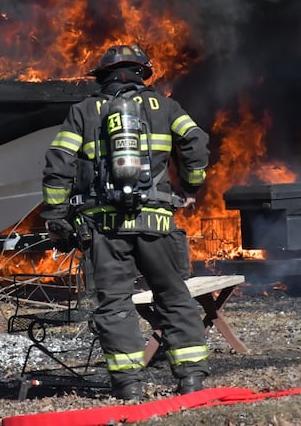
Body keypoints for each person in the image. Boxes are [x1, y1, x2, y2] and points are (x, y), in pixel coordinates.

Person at [40, 44, 211, 401]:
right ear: (143, 73)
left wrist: (56, 214)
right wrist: (191, 184)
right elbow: (195, 140)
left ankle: (129, 385)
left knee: (115, 303)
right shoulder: (165, 106)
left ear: (101, 78)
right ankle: (192, 378)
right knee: (174, 296)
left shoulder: (85, 111)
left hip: (106, 227)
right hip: (157, 223)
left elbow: (59, 162)